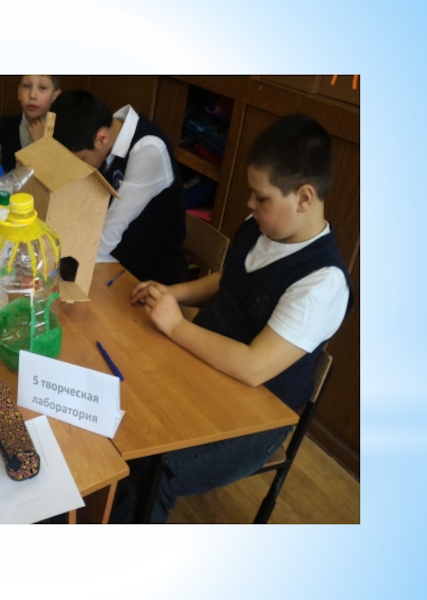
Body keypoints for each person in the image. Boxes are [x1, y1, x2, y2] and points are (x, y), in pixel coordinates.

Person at [111, 113, 354, 523]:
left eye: (261, 197)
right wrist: (174, 292)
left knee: (153, 469)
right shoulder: (264, 227)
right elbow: (229, 280)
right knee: (123, 403)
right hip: (207, 367)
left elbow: (254, 367)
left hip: (256, 415)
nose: (250, 204)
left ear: (304, 198)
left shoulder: (323, 282)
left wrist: (176, 324)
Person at [51, 90, 188, 285]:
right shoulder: (108, 133)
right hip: (116, 260)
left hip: (151, 278)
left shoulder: (148, 150)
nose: (79, 168)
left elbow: (109, 235)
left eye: (81, 160)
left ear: (102, 138)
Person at [0, 75, 62, 172]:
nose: (32, 95)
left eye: (42, 88)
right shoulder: (4, 127)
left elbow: (62, 176)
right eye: (27, 86)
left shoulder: (63, 134)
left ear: (55, 96)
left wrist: (43, 144)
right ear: (19, 92)